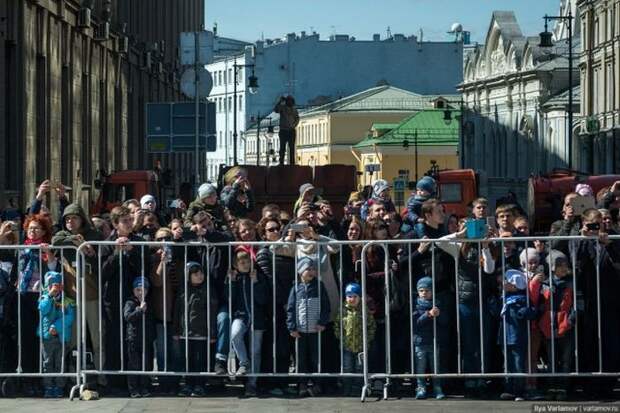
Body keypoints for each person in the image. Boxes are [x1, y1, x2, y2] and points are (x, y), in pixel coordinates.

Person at [570, 208, 620, 398]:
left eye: (598, 224)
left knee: (611, 344)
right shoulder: (579, 240)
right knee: (588, 343)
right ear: (584, 224)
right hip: (588, 300)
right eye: (591, 224)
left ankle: (608, 384)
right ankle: (589, 385)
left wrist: (608, 245)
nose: (595, 228)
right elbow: (577, 263)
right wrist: (584, 239)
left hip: (610, 300)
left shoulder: (614, 240)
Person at [18, 214, 59, 396]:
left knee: (41, 339)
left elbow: (52, 269)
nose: (33, 231)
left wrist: (48, 253)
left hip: (42, 297)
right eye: (30, 228)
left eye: (37, 228)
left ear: (44, 231)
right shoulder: (21, 246)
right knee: (26, 340)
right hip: (23, 294)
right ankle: (28, 380)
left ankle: (43, 380)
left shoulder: (46, 247)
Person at [530, 251, 574, 400]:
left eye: (565, 265)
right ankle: (551, 386)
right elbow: (540, 304)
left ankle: (563, 387)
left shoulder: (571, 283)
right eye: (559, 265)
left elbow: (576, 305)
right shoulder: (546, 284)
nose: (563, 268)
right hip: (549, 326)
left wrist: (570, 320)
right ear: (553, 267)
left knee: (566, 359)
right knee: (551, 359)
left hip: (566, 326)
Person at [286, 256, 330, 397]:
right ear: (300, 271)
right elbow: (291, 308)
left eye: (313, 269)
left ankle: (317, 383)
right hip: (300, 331)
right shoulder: (295, 287)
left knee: (316, 357)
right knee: (301, 358)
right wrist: (292, 327)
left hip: (315, 330)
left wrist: (322, 322)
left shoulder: (319, 286)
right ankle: (302, 383)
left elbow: (325, 305)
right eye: (308, 269)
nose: (311, 271)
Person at [226, 249, 267, 397]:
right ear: (235, 265)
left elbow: (263, 300)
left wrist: (255, 282)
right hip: (241, 316)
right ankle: (244, 362)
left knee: (255, 351)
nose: (245, 264)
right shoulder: (235, 278)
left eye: (247, 261)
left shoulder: (258, 277)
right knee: (235, 335)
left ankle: (252, 384)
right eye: (241, 262)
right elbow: (228, 299)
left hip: (257, 318)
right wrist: (231, 282)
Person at [173, 262, 217, 397]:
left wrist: (212, 333)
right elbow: (177, 311)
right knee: (187, 360)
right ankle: (188, 384)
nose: (200, 276)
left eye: (201, 273)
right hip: (185, 333)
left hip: (202, 333)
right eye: (196, 274)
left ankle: (200, 385)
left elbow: (212, 312)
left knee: (200, 360)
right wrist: (176, 331)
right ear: (188, 276)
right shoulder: (183, 290)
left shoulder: (208, 290)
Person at [498, 269, 536, 401]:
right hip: (505, 336)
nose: (503, 283)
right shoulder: (504, 298)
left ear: (514, 285)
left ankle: (519, 390)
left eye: (506, 281)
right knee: (507, 364)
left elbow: (532, 312)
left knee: (518, 363)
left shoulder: (522, 299)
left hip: (518, 336)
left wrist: (523, 312)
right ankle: (509, 389)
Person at [333, 282, 376, 396]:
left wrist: (368, 338)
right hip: (346, 345)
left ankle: (357, 389)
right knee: (347, 368)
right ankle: (346, 388)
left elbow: (371, 325)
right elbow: (337, 324)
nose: (351, 299)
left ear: (360, 297)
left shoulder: (364, 310)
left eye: (354, 296)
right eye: (349, 296)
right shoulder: (342, 310)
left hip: (361, 346)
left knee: (360, 368)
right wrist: (340, 336)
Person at [38, 271, 75, 398]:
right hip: (47, 337)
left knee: (60, 362)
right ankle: (48, 387)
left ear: (61, 286)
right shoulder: (44, 298)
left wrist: (56, 327)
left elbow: (70, 318)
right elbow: (43, 310)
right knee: (47, 362)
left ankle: (59, 387)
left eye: (57, 285)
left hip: (61, 337)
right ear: (47, 287)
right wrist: (49, 295)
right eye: (52, 285)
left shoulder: (67, 301)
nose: (55, 288)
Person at [412, 277, 446, 400]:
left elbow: (445, 322)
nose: (424, 293)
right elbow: (415, 323)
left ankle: (437, 388)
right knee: (420, 367)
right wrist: (429, 315)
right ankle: (421, 388)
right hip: (420, 342)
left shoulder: (438, 304)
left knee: (435, 367)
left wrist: (439, 315)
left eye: (427, 290)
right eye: (421, 290)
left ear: (432, 291)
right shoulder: (415, 305)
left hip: (434, 341)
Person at [124, 276, 155, 398]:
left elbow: (152, 320)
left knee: (146, 364)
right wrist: (139, 310)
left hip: (146, 338)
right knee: (133, 364)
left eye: (143, 289)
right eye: (138, 289)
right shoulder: (130, 302)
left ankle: (144, 387)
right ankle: (133, 389)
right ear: (133, 291)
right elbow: (128, 317)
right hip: (134, 338)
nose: (141, 292)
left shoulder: (149, 303)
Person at [274, 95, 300, 165]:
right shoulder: (282, 108)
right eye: (289, 101)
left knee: (292, 148)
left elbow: (297, 118)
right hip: (283, 130)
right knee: (282, 147)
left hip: (291, 130)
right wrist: (280, 102)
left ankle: (292, 163)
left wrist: (294, 125)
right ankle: (281, 162)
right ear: (287, 102)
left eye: (291, 102)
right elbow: (276, 110)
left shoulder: (294, 109)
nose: (290, 103)